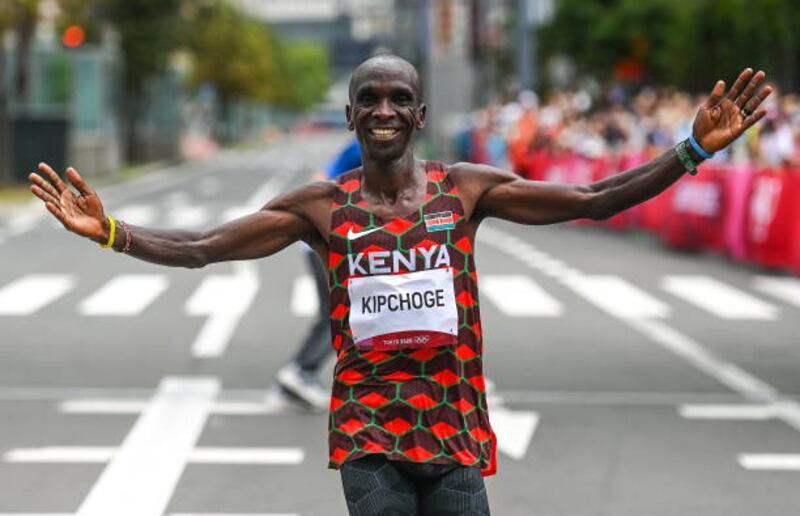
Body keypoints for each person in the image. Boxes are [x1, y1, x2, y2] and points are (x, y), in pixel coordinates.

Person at [29, 55, 770, 515]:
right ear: (352, 115)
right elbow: (201, 247)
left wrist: (692, 147)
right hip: (369, 428)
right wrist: (113, 233)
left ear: (418, 115)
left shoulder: (467, 189)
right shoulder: (319, 205)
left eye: (397, 99)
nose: (383, 110)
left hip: (453, 424)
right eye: (369, 100)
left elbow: (591, 200)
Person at [276, 139, 361, 409]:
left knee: (338, 312)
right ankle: (301, 370)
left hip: (330, 241)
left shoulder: (364, 146)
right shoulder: (364, 148)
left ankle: (301, 371)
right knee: (340, 313)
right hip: (326, 243)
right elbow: (320, 179)